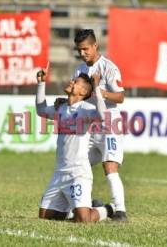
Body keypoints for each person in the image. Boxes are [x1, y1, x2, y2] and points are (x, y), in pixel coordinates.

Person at [36, 67, 113, 222]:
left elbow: (103, 117)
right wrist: (41, 84)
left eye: (76, 82)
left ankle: (107, 209)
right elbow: (41, 110)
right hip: (59, 173)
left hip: (78, 173)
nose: (71, 81)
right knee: (44, 216)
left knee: (84, 220)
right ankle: (73, 211)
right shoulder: (61, 107)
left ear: (83, 92)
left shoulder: (86, 109)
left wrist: (96, 88)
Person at [73, 29, 127, 221]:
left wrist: (100, 92)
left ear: (95, 45)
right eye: (79, 50)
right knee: (79, 164)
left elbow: (120, 97)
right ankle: (86, 204)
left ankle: (120, 210)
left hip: (109, 123)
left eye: (86, 49)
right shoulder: (79, 70)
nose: (83, 53)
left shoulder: (109, 68)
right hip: (89, 124)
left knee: (109, 165)